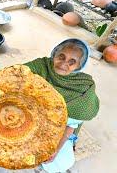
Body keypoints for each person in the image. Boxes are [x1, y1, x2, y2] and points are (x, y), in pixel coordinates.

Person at [24, 38, 100, 173]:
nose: (64, 64)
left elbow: (72, 123)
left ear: (79, 66)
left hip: (60, 126)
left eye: (72, 62)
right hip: (31, 114)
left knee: (60, 162)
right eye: (61, 56)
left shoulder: (83, 86)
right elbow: (17, 73)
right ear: (54, 54)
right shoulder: (42, 65)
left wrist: (56, 148)